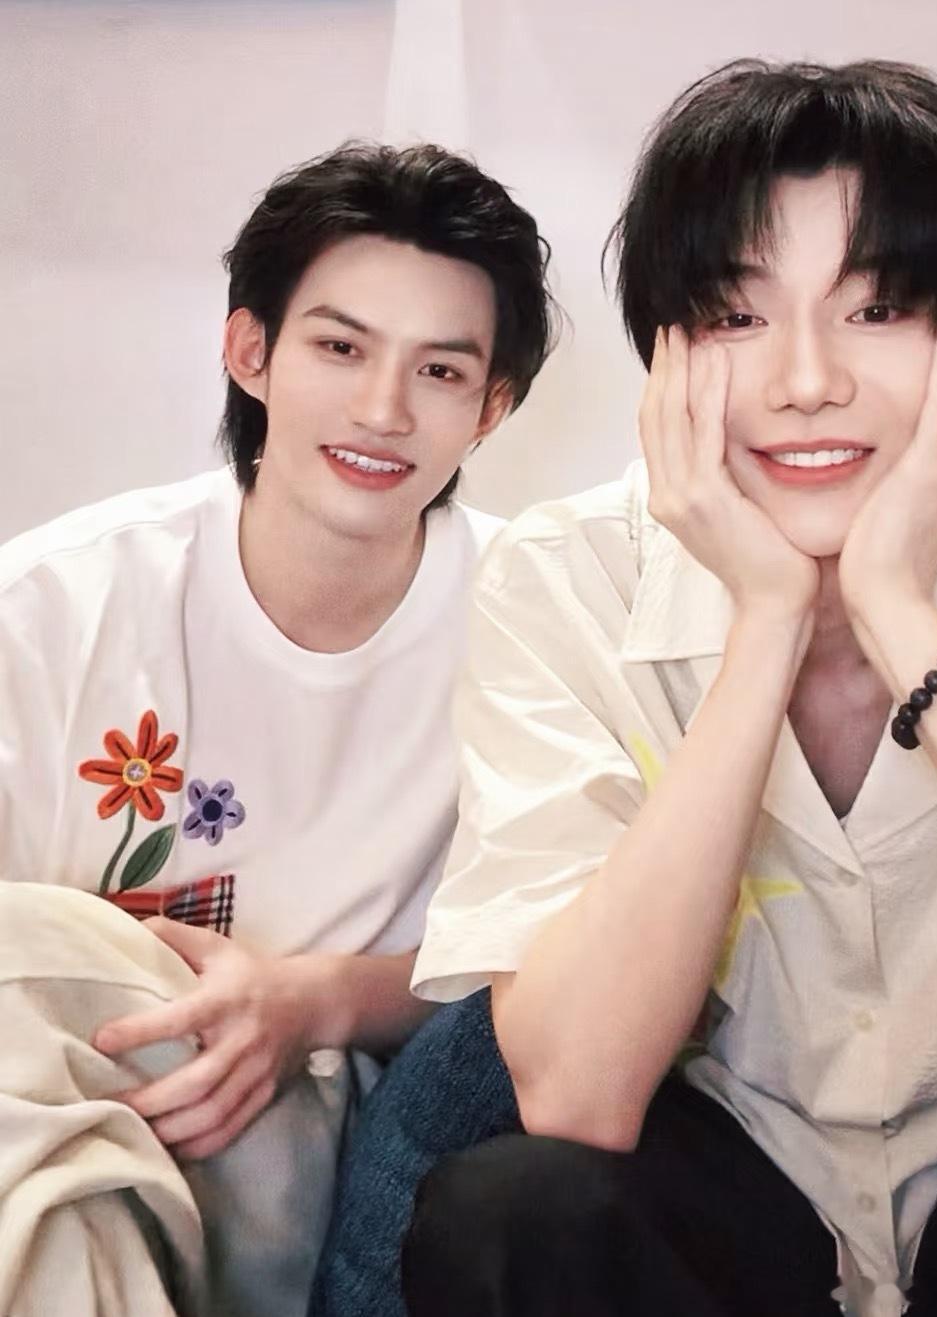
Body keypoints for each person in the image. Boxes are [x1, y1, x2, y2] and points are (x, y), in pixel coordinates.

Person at [393, 60, 937, 1317]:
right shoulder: (565, 578)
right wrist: (764, 624)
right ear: (664, 352)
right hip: (726, 1181)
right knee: (510, 1215)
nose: (804, 380)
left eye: (876, 309)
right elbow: (577, 1093)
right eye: (736, 317)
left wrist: (901, 617)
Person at [0, 140, 556, 1316]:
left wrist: (308, 1000)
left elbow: (554, 975)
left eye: (440, 370)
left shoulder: (538, 625)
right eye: (339, 348)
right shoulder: (51, 605)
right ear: (249, 351)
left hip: (306, 1138)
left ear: (491, 407)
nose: (381, 409)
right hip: (52, 1106)